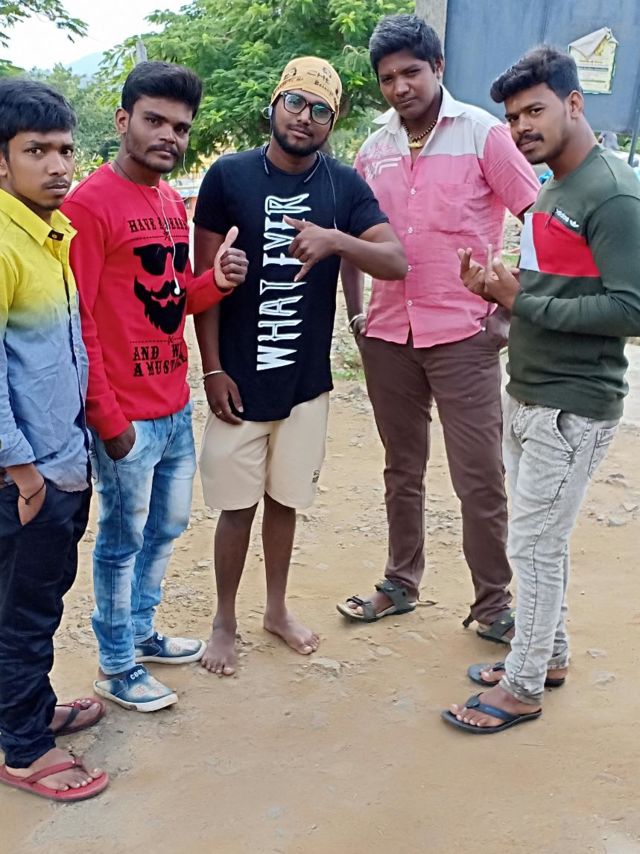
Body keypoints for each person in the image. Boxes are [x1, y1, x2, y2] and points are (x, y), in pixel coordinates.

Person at [443, 46, 640, 733]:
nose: (522, 126)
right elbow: (546, 291)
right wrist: (495, 291)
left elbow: (633, 308)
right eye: (512, 117)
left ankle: (523, 687)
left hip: (573, 405)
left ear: (574, 104)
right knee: (535, 542)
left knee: (532, 546)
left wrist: (523, 303)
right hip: (528, 392)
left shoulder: (612, 193)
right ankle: (545, 656)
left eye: (535, 110)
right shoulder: (552, 189)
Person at [193, 56, 407, 676]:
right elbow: (203, 285)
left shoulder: (343, 187)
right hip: (239, 379)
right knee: (237, 507)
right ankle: (224, 620)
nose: (304, 118)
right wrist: (211, 369)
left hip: (305, 384)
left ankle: (276, 610)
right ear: (274, 104)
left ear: (331, 122)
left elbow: (395, 261)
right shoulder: (228, 176)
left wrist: (337, 240)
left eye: (320, 110)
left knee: (285, 500)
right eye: (295, 102)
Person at [336, 15, 539, 638]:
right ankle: (401, 581)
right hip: (388, 335)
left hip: (464, 335)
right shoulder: (374, 150)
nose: (400, 87)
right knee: (402, 467)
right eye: (387, 77)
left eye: (412, 72)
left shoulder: (482, 134)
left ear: (439, 68)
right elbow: (351, 240)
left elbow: (538, 216)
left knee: (478, 475)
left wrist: (512, 304)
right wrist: (356, 315)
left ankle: (494, 603)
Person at [62, 62, 248, 711]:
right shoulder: (88, 206)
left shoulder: (171, 203)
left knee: (166, 528)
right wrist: (107, 418)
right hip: (125, 417)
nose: (170, 135)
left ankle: (141, 632)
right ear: (123, 121)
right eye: (155, 121)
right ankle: (116, 664)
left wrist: (216, 280)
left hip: (172, 405)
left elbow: (172, 298)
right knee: (121, 541)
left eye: (181, 126)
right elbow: (80, 321)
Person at [0, 79, 108, 801]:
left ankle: (28, 711)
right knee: (25, 614)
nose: (58, 165)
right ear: (2, 160)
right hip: (27, 477)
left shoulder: (50, 235)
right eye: (36, 150)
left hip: (59, 462)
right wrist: (23, 470)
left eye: (65, 149)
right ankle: (24, 748)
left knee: (27, 603)